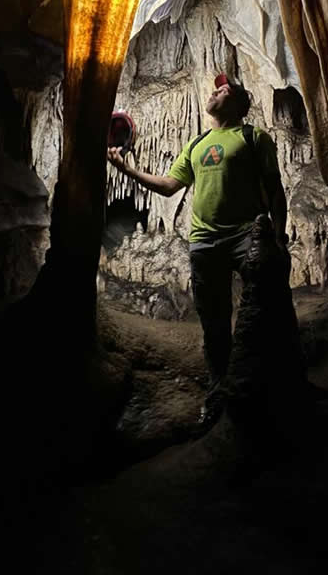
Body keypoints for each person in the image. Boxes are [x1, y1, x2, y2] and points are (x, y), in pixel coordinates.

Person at [107, 74, 295, 429]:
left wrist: (279, 236)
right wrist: (127, 170)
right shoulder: (196, 144)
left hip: (246, 235)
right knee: (214, 323)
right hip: (205, 241)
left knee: (267, 307)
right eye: (215, 89)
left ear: (238, 104)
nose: (215, 92)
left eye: (224, 90)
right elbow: (168, 186)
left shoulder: (253, 137)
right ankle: (218, 391)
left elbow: (275, 188)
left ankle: (273, 385)